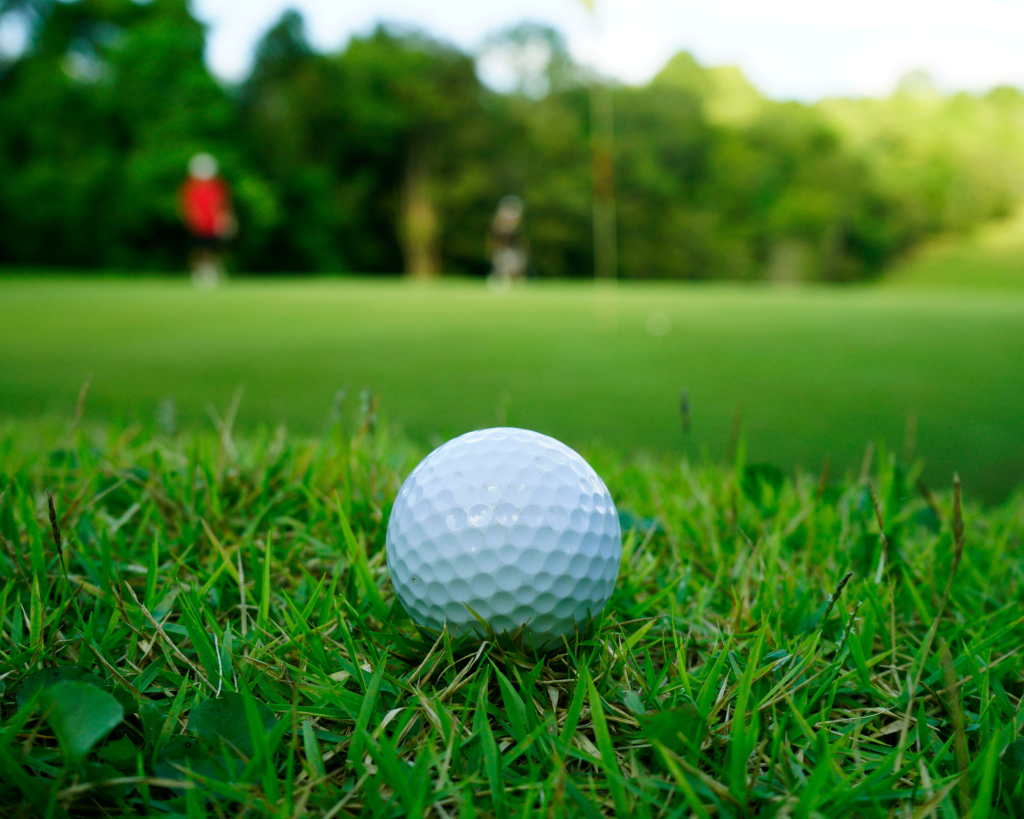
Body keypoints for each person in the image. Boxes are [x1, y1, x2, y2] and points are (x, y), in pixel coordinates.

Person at [178, 153, 236, 287]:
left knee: (216, 250)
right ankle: (200, 273)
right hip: (198, 226)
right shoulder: (190, 186)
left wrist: (225, 218)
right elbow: (188, 206)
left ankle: (214, 272)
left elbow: (223, 204)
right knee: (199, 250)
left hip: (215, 225)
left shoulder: (217, 185)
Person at [487, 195, 528, 291]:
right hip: (502, 250)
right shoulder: (497, 226)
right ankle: (500, 283)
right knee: (502, 267)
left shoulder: (517, 227)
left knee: (516, 267)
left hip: (513, 250)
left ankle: (516, 284)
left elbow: (519, 237)